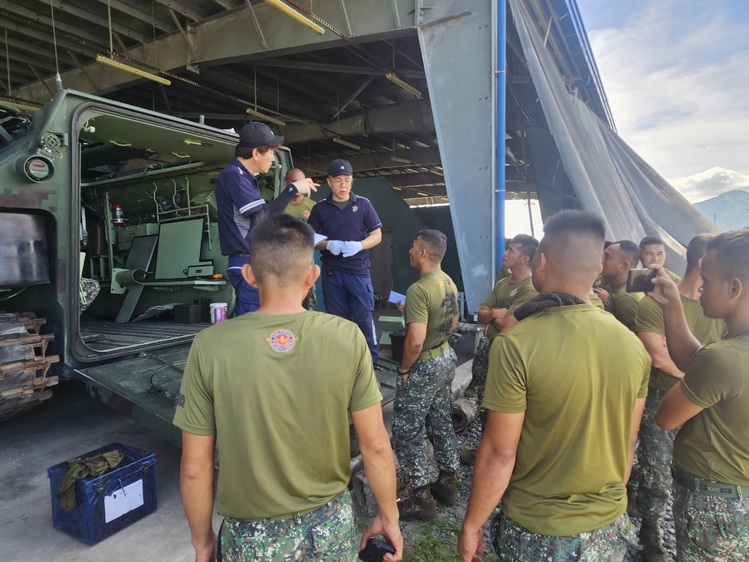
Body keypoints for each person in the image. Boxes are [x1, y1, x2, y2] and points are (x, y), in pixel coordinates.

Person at [174, 214, 402, 562]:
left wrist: (203, 542)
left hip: (251, 538)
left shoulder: (210, 345)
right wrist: (389, 516)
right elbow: (375, 446)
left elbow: (195, 465)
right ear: (313, 275)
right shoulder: (347, 337)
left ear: (248, 275)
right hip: (330, 530)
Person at [458, 210, 650, 562]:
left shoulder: (516, 345)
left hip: (538, 533)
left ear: (541, 262)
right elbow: (627, 443)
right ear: (596, 269)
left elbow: (500, 454)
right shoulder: (633, 345)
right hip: (608, 529)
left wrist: (472, 525)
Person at [652, 228, 749, 562]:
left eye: (706, 280)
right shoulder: (731, 351)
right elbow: (698, 363)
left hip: (715, 500)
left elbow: (665, 418)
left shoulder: (724, 358)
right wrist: (673, 307)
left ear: (735, 287)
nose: (700, 287)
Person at [633, 234, 725, 561]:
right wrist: (713, 376)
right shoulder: (656, 301)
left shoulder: (723, 306)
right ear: (703, 263)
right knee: (655, 470)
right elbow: (659, 356)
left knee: (699, 471)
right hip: (662, 395)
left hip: (709, 399)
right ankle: (649, 529)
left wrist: (714, 378)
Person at [392, 229, 460, 521]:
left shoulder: (418, 289)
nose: (409, 249)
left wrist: (405, 368)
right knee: (440, 418)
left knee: (406, 432)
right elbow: (453, 321)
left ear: (422, 252)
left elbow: (415, 341)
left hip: (425, 364)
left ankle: (421, 498)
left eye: (412, 245)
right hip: (446, 357)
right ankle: (446, 483)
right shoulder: (447, 281)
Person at [214, 122, 316, 316]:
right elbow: (262, 218)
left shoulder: (243, 176)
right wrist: (292, 189)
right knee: (255, 326)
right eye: (270, 152)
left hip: (252, 261)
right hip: (246, 263)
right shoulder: (234, 175)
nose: (272, 158)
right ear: (255, 153)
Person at [461, 234, 538, 464]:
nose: (505, 253)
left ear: (525, 258)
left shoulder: (530, 289)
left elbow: (509, 325)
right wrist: (495, 313)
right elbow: (481, 313)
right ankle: (486, 451)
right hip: (491, 351)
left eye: (511, 250)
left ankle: (504, 457)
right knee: (486, 403)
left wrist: (492, 316)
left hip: (509, 356)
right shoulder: (504, 283)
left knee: (503, 407)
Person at [308, 159, 382, 364]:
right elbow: (311, 239)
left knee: (364, 320)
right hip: (332, 273)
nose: (343, 185)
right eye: (338, 180)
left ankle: (370, 365)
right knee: (337, 322)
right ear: (329, 182)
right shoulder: (320, 209)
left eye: (347, 180)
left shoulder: (363, 204)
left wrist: (360, 245)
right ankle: (342, 365)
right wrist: (328, 244)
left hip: (358, 272)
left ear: (352, 181)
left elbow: (377, 234)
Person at [283, 167, 317, 310]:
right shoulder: (279, 205)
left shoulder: (313, 206)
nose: (298, 186)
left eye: (301, 182)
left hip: (306, 260)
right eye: (294, 182)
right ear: (286, 183)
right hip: (283, 261)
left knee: (307, 301)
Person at [595, 239, 643, 331]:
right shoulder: (627, 288)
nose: (601, 260)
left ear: (624, 266)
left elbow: (642, 338)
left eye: (607, 257)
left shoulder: (624, 298)